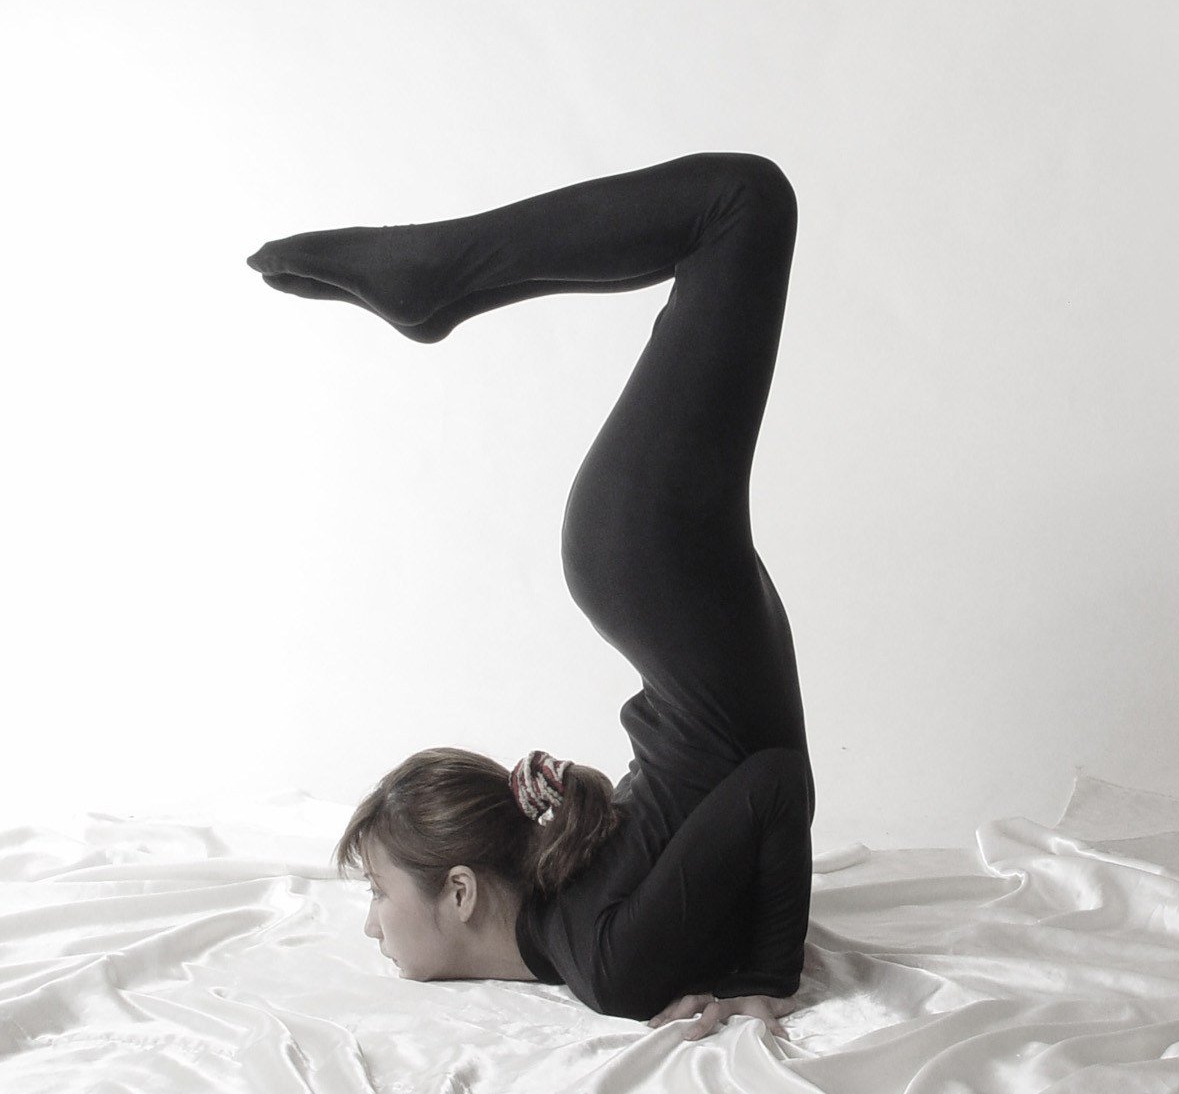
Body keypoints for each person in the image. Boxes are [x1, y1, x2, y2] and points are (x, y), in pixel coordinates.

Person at [246, 151, 816, 1042]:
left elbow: (766, 791)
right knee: (741, 207)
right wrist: (764, 969)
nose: (370, 926)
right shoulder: (606, 955)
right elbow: (769, 785)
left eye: (376, 894)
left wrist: (755, 959)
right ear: (461, 893)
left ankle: (441, 276)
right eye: (377, 893)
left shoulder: (595, 941)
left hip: (664, 581)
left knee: (743, 208)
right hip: (652, 569)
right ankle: (443, 273)